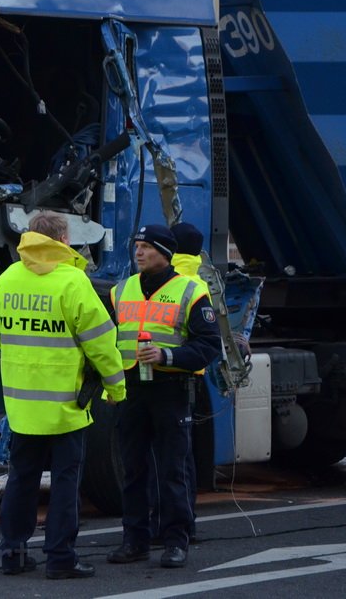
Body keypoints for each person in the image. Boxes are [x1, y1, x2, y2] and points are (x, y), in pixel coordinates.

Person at [0, 211, 125, 579]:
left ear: (31, 237)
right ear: (63, 240)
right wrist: (116, 387)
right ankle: (61, 557)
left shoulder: (8, 278)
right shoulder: (73, 281)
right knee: (65, 480)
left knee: (21, 479)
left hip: (22, 405)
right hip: (66, 404)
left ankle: (12, 554)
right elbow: (102, 344)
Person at [107, 224, 220, 569]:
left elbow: (208, 345)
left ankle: (175, 541)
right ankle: (135, 541)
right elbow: (106, 340)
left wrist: (166, 356)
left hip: (171, 390)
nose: (138, 252)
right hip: (132, 391)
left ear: (165, 253)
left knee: (173, 469)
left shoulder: (190, 291)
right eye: (137, 246)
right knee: (134, 469)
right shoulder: (120, 291)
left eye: (146, 247)